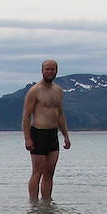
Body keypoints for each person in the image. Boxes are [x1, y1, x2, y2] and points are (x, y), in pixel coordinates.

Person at [21, 59, 71, 200]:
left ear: (56, 71)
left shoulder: (58, 90)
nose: (50, 72)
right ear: (42, 71)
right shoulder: (35, 90)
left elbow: (60, 115)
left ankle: (47, 204)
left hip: (52, 135)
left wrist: (66, 136)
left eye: (52, 69)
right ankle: (33, 204)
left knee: (49, 173)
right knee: (37, 172)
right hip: (38, 133)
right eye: (47, 69)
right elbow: (26, 116)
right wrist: (27, 138)